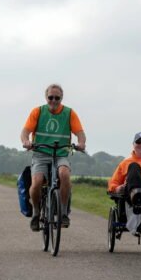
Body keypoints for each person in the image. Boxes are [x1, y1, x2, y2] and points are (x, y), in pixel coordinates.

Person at [21, 84, 86, 231]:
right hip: (40, 154)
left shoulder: (69, 113)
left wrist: (81, 143)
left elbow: (80, 132)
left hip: (60, 154)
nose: (54, 101)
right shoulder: (37, 112)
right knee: (37, 181)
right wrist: (26, 141)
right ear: (46, 97)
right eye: (51, 97)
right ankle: (37, 214)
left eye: (57, 98)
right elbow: (25, 131)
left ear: (61, 98)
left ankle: (63, 213)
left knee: (64, 174)